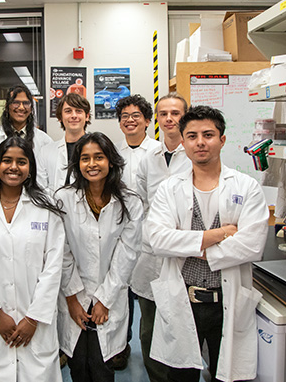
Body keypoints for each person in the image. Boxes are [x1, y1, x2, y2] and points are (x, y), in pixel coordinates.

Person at [145, 106, 268, 382]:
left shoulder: (246, 187)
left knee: (227, 376)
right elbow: (158, 239)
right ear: (184, 142)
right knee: (180, 376)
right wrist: (217, 235)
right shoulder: (170, 188)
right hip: (183, 299)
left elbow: (252, 245)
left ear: (222, 140)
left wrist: (188, 245)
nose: (200, 142)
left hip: (226, 300)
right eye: (192, 136)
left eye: (208, 134)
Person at [0, 136, 65, 381]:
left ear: (30, 167)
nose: (14, 167)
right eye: (7, 161)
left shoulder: (46, 207)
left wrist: (34, 318)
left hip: (37, 319)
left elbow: (53, 266)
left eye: (21, 162)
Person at [55, 132, 143, 382]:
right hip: (74, 295)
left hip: (110, 296)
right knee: (78, 363)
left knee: (102, 365)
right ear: (77, 164)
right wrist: (72, 298)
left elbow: (127, 254)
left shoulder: (130, 201)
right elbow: (62, 251)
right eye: (85, 158)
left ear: (111, 162)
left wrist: (104, 299)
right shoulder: (64, 199)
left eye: (99, 157)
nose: (92, 164)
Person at [130, 92, 191, 381]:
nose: (169, 119)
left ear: (184, 117)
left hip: (185, 251)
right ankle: (156, 376)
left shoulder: (194, 154)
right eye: (164, 113)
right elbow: (142, 199)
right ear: (158, 119)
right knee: (149, 325)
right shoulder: (149, 157)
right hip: (151, 251)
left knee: (181, 323)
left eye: (175, 113)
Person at [111, 94, 161, 370]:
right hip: (120, 230)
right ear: (119, 123)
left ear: (147, 121)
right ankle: (121, 344)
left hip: (151, 233)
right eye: (125, 117)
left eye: (136, 116)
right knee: (121, 291)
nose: (130, 121)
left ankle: (156, 350)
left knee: (148, 295)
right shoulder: (115, 154)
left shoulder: (157, 152)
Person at [39, 92, 91, 191]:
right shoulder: (45, 152)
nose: (74, 115)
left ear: (87, 116)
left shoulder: (100, 148)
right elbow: (41, 187)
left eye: (79, 111)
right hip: (54, 205)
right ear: (60, 117)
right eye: (68, 111)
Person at [0, 85, 53, 153]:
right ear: (7, 106)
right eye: (16, 103)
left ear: (31, 109)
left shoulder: (44, 141)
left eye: (26, 103)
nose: (21, 107)